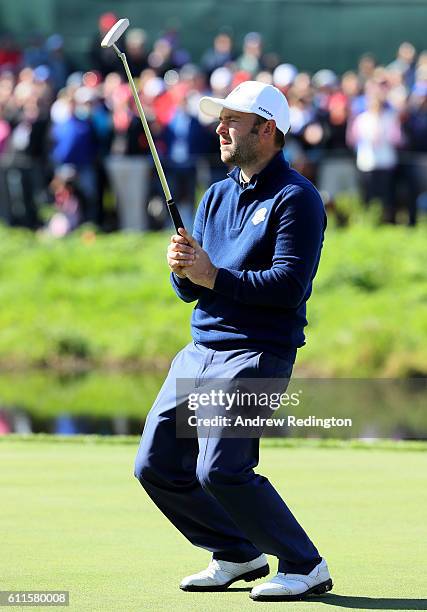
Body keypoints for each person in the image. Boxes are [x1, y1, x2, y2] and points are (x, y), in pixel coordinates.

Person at [134, 80, 332, 602]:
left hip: (258, 352)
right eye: (220, 120)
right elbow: (190, 288)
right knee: (154, 465)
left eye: (232, 121)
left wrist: (213, 275)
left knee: (221, 469)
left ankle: (304, 564)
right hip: (201, 350)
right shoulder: (218, 194)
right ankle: (237, 552)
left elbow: (288, 287)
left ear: (266, 130)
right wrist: (183, 270)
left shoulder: (297, 198)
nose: (220, 129)